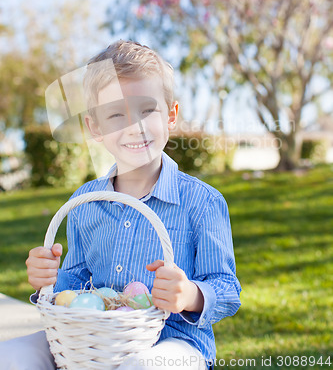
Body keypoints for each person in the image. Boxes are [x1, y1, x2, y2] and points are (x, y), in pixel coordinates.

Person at [0, 40, 241, 370]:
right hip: (91, 342)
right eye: (116, 115)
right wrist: (48, 281)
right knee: (11, 356)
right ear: (95, 128)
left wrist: (189, 294)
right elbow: (74, 287)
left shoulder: (202, 202)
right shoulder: (86, 203)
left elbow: (227, 290)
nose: (134, 127)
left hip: (175, 342)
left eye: (146, 110)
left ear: (171, 115)